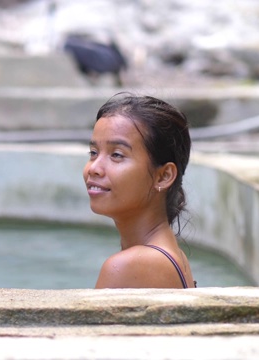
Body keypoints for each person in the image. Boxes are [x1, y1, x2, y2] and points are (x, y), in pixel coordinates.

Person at [83, 93, 196, 289]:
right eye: (93, 153)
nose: (93, 168)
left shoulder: (131, 266)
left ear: (164, 176)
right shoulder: (174, 256)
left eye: (117, 155)